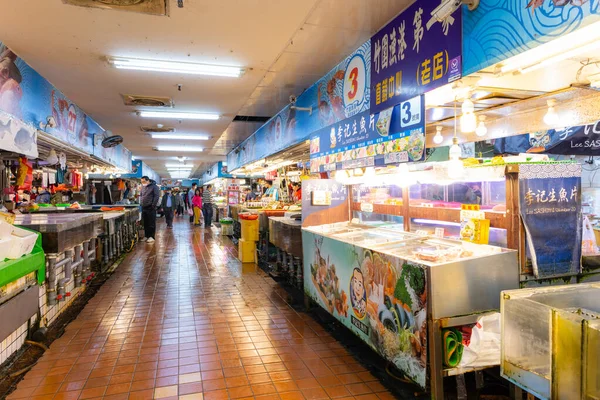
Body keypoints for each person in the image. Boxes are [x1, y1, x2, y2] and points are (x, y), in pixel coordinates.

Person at [140, 176, 159, 243]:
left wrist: (153, 205)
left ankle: (151, 237)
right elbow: (141, 195)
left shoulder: (154, 187)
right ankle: (146, 236)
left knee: (151, 223)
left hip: (151, 208)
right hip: (144, 207)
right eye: (141, 182)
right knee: (145, 223)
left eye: (144, 182)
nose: (143, 183)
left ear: (148, 180)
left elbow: (156, 196)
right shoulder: (143, 187)